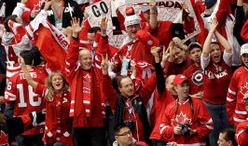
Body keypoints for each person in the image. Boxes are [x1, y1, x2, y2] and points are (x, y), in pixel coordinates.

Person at [65, 17, 106, 146]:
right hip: (79, 120)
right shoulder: (73, 74)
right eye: (84, 59)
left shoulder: (97, 72)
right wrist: (75, 36)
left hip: (96, 119)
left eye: (89, 58)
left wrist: (103, 35)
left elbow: (101, 52)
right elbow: (71, 57)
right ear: (80, 60)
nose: (88, 61)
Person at [101, 54, 154, 144]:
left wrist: (159, 64)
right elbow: (107, 89)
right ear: (120, 89)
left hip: (141, 141)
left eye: (131, 85)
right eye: (126, 86)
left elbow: (151, 84)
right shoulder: (115, 100)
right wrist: (105, 73)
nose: (130, 88)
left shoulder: (139, 97)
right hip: (124, 142)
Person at [20, 57, 73, 146]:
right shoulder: (47, 92)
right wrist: (23, 66)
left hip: (66, 133)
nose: (57, 81)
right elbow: (30, 81)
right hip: (51, 133)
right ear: (51, 82)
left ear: (63, 81)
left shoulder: (70, 94)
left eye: (59, 79)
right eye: (55, 80)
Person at [201, 18, 233, 146]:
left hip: (227, 105)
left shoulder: (226, 61)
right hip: (211, 107)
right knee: (215, 139)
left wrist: (215, 31)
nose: (215, 52)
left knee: (229, 136)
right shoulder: (206, 64)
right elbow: (204, 51)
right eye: (212, 50)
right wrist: (210, 32)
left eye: (217, 49)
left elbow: (229, 48)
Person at [4, 50, 47, 146]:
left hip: (21, 125)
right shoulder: (43, 76)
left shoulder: (14, 78)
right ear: (32, 61)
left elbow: (9, 102)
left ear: (20, 61)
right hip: (40, 124)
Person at [160, 74, 213, 145]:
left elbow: (210, 125)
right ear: (175, 88)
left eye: (187, 85)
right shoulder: (170, 107)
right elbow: (162, 129)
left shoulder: (198, 104)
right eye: (182, 86)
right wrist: (173, 130)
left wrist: (195, 131)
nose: (186, 88)